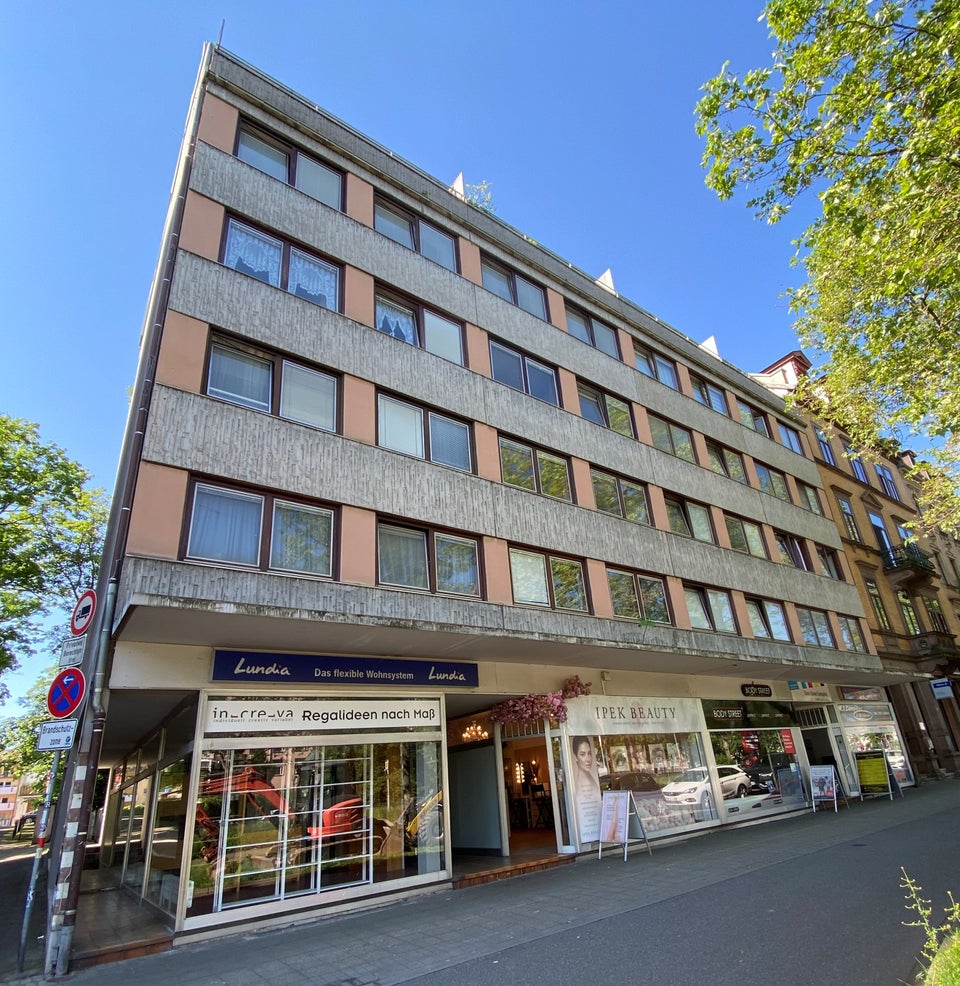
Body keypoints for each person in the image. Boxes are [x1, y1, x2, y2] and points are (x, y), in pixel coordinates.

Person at [570, 736, 602, 843]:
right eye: (582, 754)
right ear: (576, 757)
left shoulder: (592, 780)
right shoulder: (579, 785)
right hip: (586, 828)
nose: (588, 759)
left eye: (589, 753)